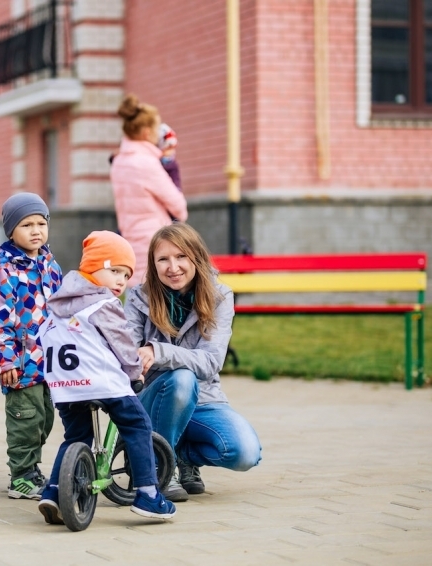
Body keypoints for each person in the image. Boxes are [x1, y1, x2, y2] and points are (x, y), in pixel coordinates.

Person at [36, 231, 176, 524]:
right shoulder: (103, 304)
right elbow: (123, 345)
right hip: (102, 381)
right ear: (92, 267)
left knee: (76, 436)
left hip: (64, 385)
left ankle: (52, 492)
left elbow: (40, 340)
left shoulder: (56, 306)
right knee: (137, 425)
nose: (120, 281)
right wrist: (135, 373)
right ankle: (148, 495)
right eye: (113, 271)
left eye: (125, 275)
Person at [124, 223, 262, 503]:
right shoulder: (139, 298)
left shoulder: (219, 296)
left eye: (181, 257)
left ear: (196, 258)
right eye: (163, 259)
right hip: (154, 398)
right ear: (153, 264)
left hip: (204, 399)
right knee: (181, 379)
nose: (173, 267)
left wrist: (157, 351)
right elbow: (127, 355)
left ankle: (179, 455)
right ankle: (161, 467)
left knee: (245, 452)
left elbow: (211, 361)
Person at [0, 193, 63, 500]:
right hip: (20, 362)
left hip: (49, 361)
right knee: (25, 421)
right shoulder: (5, 269)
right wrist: (5, 361)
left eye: (41, 223)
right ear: (10, 231)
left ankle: (31, 468)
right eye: (26, 224)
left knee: (44, 418)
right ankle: (21, 476)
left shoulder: (50, 264)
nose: (35, 231)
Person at [110, 93, 188, 287]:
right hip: (154, 238)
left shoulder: (119, 162)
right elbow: (178, 205)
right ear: (146, 132)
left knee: (135, 290)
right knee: (154, 294)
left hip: (129, 234)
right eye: (156, 128)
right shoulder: (146, 163)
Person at [157, 121, 182, 191]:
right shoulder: (155, 164)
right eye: (169, 148)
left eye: (174, 147)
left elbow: (176, 181)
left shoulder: (172, 164)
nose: (172, 152)